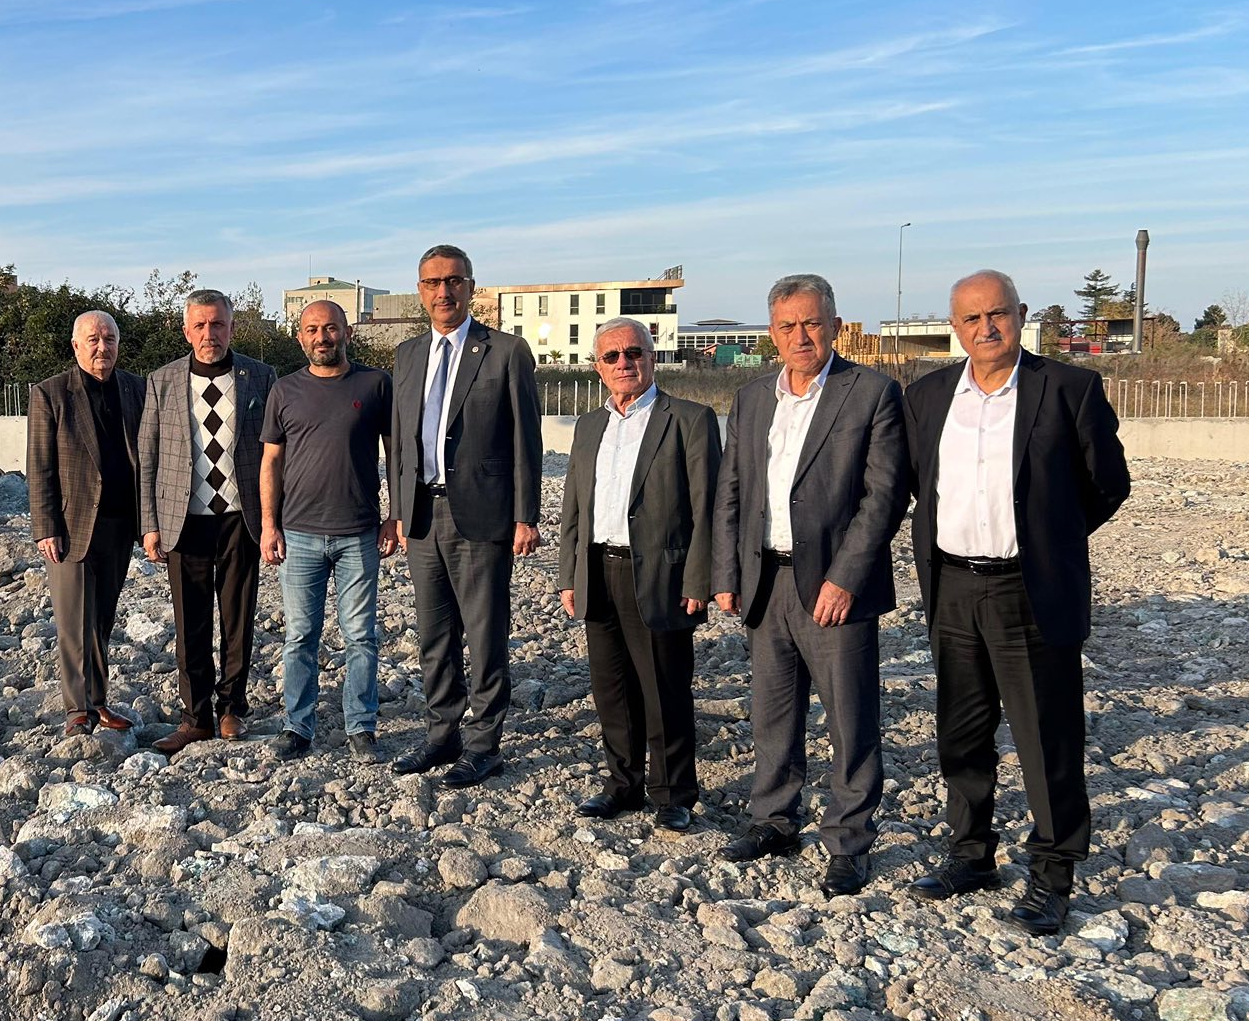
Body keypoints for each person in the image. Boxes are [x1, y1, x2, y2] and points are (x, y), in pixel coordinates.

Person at [903, 270, 1130, 936]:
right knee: (962, 731)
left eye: (997, 314)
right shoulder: (928, 397)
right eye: (972, 319)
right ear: (956, 327)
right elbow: (920, 484)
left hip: (1029, 589)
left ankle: (1053, 875)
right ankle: (971, 854)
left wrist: (1047, 539)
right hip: (953, 586)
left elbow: (1108, 484)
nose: (987, 328)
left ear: (1020, 314)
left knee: (1045, 737)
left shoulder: (1068, 388)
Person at [712, 273, 909, 896]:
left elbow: (883, 497)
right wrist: (727, 573)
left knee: (850, 718)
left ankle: (849, 839)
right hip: (765, 582)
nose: (801, 336)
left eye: (812, 323)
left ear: (835, 326)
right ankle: (773, 818)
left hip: (832, 586)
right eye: (787, 326)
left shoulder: (871, 393)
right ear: (772, 334)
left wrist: (845, 577)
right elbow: (732, 490)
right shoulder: (752, 398)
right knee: (773, 713)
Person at [557, 318, 721, 831]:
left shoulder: (689, 420)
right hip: (598, 569)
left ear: (652, 358)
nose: (624, 362)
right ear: (597, 367)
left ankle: (673, 791)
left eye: (634, 352)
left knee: (664, 688)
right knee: (611, 688)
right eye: (612, 356)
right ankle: (622, 784)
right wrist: (569, 575)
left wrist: (699, 579)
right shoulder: (589, 426)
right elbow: (573, 507)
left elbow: (707, 507)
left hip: (660, 576)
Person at [387, 245, 542, 787]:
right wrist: (397, 508)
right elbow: (399, 440)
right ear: (420, 291)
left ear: (471, 287)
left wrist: (526, 514)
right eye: (432, 283)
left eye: (453, 281)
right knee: (434, 634)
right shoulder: (407, 355)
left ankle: (483, 744)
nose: (443, 292)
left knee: (484, 632)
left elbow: (526, 438)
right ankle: (442, 734)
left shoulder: (505, 351)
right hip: (421, 515)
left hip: (481, 514)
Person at [259, 300, 399, 760]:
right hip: (298, 534)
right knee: (300, 636)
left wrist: (394, 515)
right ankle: (297, 726)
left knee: (361, 635)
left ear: (347, 332)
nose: (323, 337)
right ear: (301, 337)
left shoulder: (376, 385)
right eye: (313, 329)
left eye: (331, 328)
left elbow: (396, 454)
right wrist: (269, 525)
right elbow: (271, 462)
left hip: (359, 532)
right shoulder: (285, 390)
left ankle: (362, 727)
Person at [140, 290, 277, 754]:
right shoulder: (162, 380)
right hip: (184, 520)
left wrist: (274, 519)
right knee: (191, 624)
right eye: (199, 325)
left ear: (231, 328)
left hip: (242, 518)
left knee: (238, 619)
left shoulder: (261, 376)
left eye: (217, 324)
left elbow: (276, 451)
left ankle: (232, 708)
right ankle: (195, 717)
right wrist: (150, 523)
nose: (209, 333)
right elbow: (148, 455)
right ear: (186, 331)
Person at [27, 311, 145, 736]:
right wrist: (46, 526)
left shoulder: (136, 389)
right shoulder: (51, 393)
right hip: (71, 526)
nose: (102, 347)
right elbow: (39, 465)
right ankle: (77, 710)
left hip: (120, 523)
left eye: (109, 339)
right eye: (93, 339)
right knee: (75, 622)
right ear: (76, 345)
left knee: (102, 620)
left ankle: (98, 701)